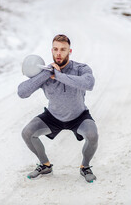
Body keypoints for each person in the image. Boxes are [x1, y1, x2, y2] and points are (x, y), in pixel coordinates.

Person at [17, 34, 99, 183]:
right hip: (53, 116)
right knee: (27, 133)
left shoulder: (81, 68)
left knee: (93, 135)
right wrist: (46, 74)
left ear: (70, 51)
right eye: (55, 49)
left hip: (79, 116)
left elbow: (89, 84)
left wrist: (59, 75)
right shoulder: (45, 72)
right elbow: (22, 93)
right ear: (52, 50)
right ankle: (45, 165)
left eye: (63, 49)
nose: (59, 53)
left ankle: (85, 167)